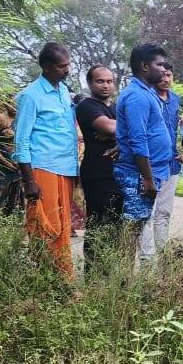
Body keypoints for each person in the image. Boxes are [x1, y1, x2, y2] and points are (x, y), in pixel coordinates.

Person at [14, 42, 80, 276]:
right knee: (45, 226)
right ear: (47, 67)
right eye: (63, 66)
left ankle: (62, 278)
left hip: (66, 168)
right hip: (43, 169)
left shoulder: (64, 91)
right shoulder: (30, 96)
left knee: (63, 227)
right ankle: (52, 279)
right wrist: (29, 181)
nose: (68, 70)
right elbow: (21, 141)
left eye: (68, 65)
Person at [114, 43, 175, 270]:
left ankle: (124, 280)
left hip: (151, 171)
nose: (163, 69)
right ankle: (122, 282)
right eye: (159, 64)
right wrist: (148, 178)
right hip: (138, 174)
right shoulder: (137, 97)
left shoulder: (146, 93)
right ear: (144, 66)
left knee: (138, 224)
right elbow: (138, 139)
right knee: (132, 228)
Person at [75, 65, 122, 264]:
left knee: (116, 226)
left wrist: (121, 139)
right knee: (99, 224)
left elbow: (118, 131)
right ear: (90, 83)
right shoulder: (87, 106)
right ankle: (94, 274)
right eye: (100, 81)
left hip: (117, 173)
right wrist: (124, 131)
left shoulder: (114, 107)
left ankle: (111, 276)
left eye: (109, 81)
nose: (105, 85)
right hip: (97, 173)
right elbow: (111, 127)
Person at [148, 63, 183, 260]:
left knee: (164, 212)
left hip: (171, 162)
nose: (165, 79)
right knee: (146, 213)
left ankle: (162, 256)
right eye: (161, 75)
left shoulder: (175, 99)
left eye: (169, 75)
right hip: (149, 164)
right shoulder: (148, 98)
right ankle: (146, 258)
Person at [0, 104, 24, 215]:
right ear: (5, 103)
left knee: (18, 200)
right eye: (12, 104)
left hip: (21, 166)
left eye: (18, 104)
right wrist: (5, 162)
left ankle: (14, 226)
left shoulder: (23, 119)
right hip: (2, 167)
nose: (15, 107)